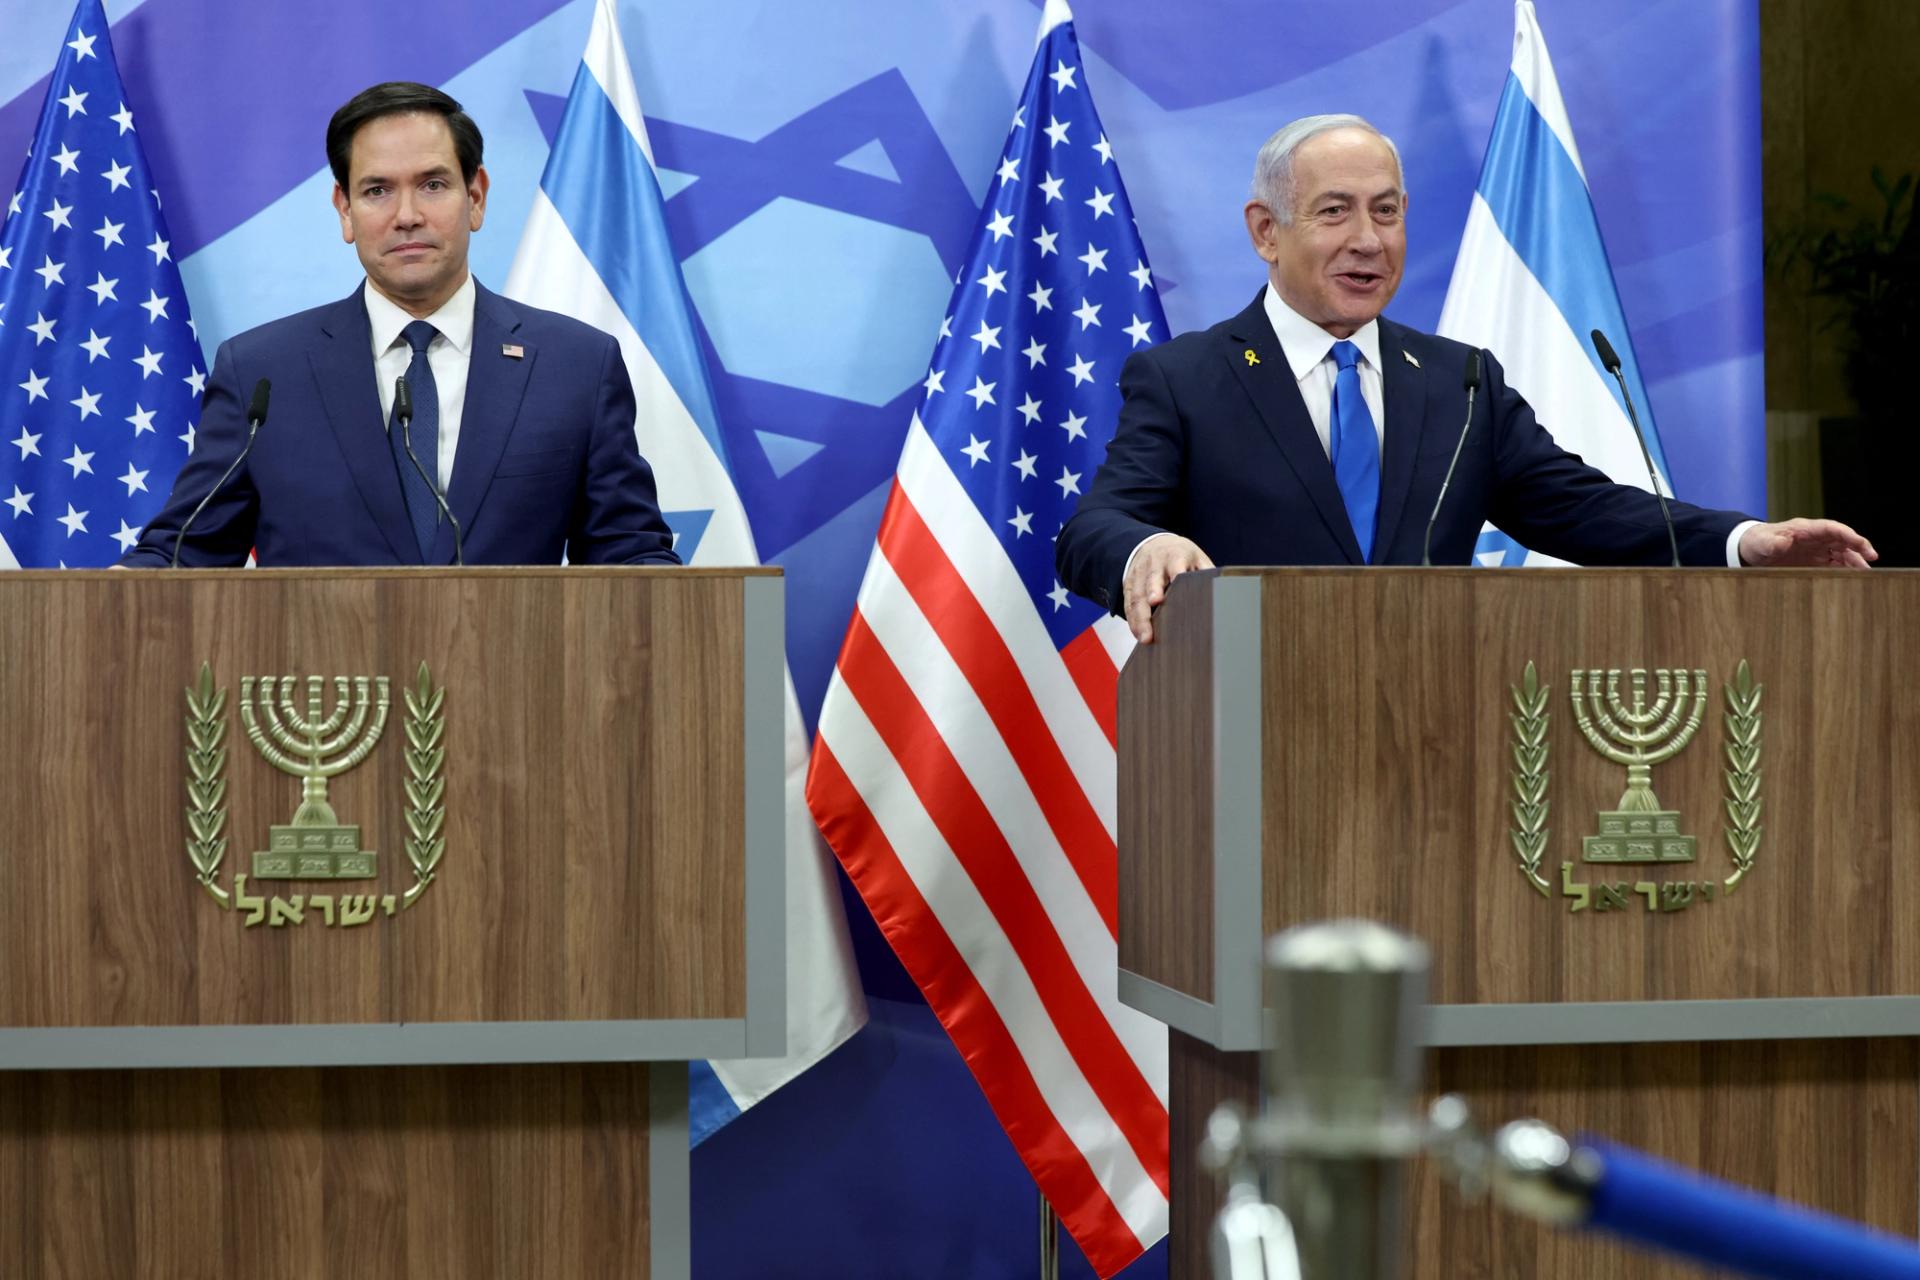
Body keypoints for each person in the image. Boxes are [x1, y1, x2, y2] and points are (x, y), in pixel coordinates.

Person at [1054, 114, 1872, 643]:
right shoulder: (1187, 377)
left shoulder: (1459, 382)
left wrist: (1743, 543)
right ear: (1267, 231)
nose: (1369, 240)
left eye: (1388, 210)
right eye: (1336, 211)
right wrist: (1145, 546)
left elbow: (1584, 510)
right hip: (1247, 738)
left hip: (1438, 739)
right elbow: (1094, 527)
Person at [121, 82, 679, 567]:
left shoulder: (574, 365)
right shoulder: (263, 375)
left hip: (513, 680)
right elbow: (184, 555)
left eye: (433, 184)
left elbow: (629, 554)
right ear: (344, 210)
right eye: (377, 190)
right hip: (323, 687)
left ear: (476, 197)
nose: (406, 214)